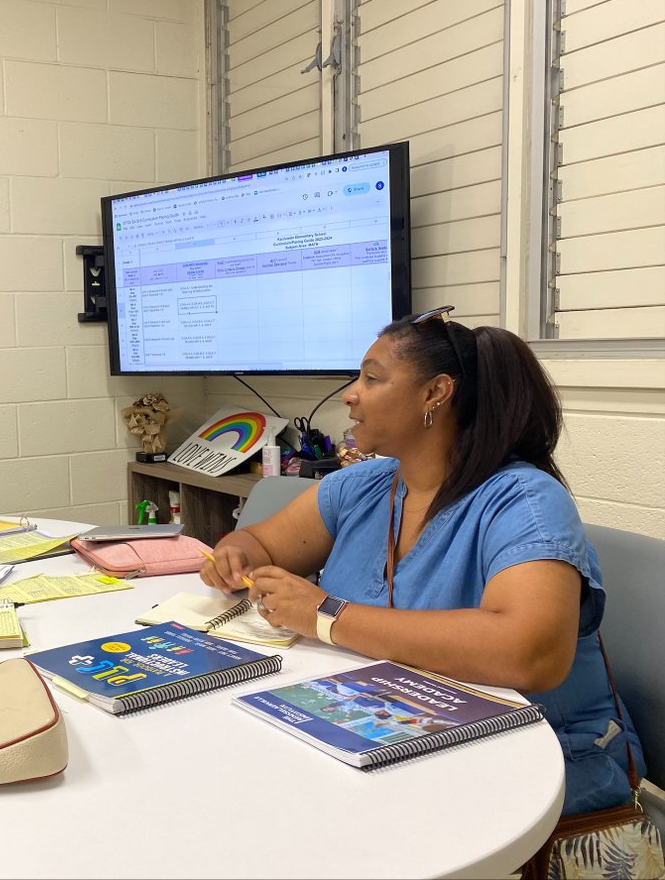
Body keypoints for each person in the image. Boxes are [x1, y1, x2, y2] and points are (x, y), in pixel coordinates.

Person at [201, 305, 644, 816]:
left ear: (436, 393)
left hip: (542, 763)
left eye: (371, 378)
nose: (350, 393)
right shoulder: (363, 484)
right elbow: (263, 543)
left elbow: (529, 653)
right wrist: (236, 554)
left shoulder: (523, 501)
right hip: (395, 729)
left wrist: (326, 616)